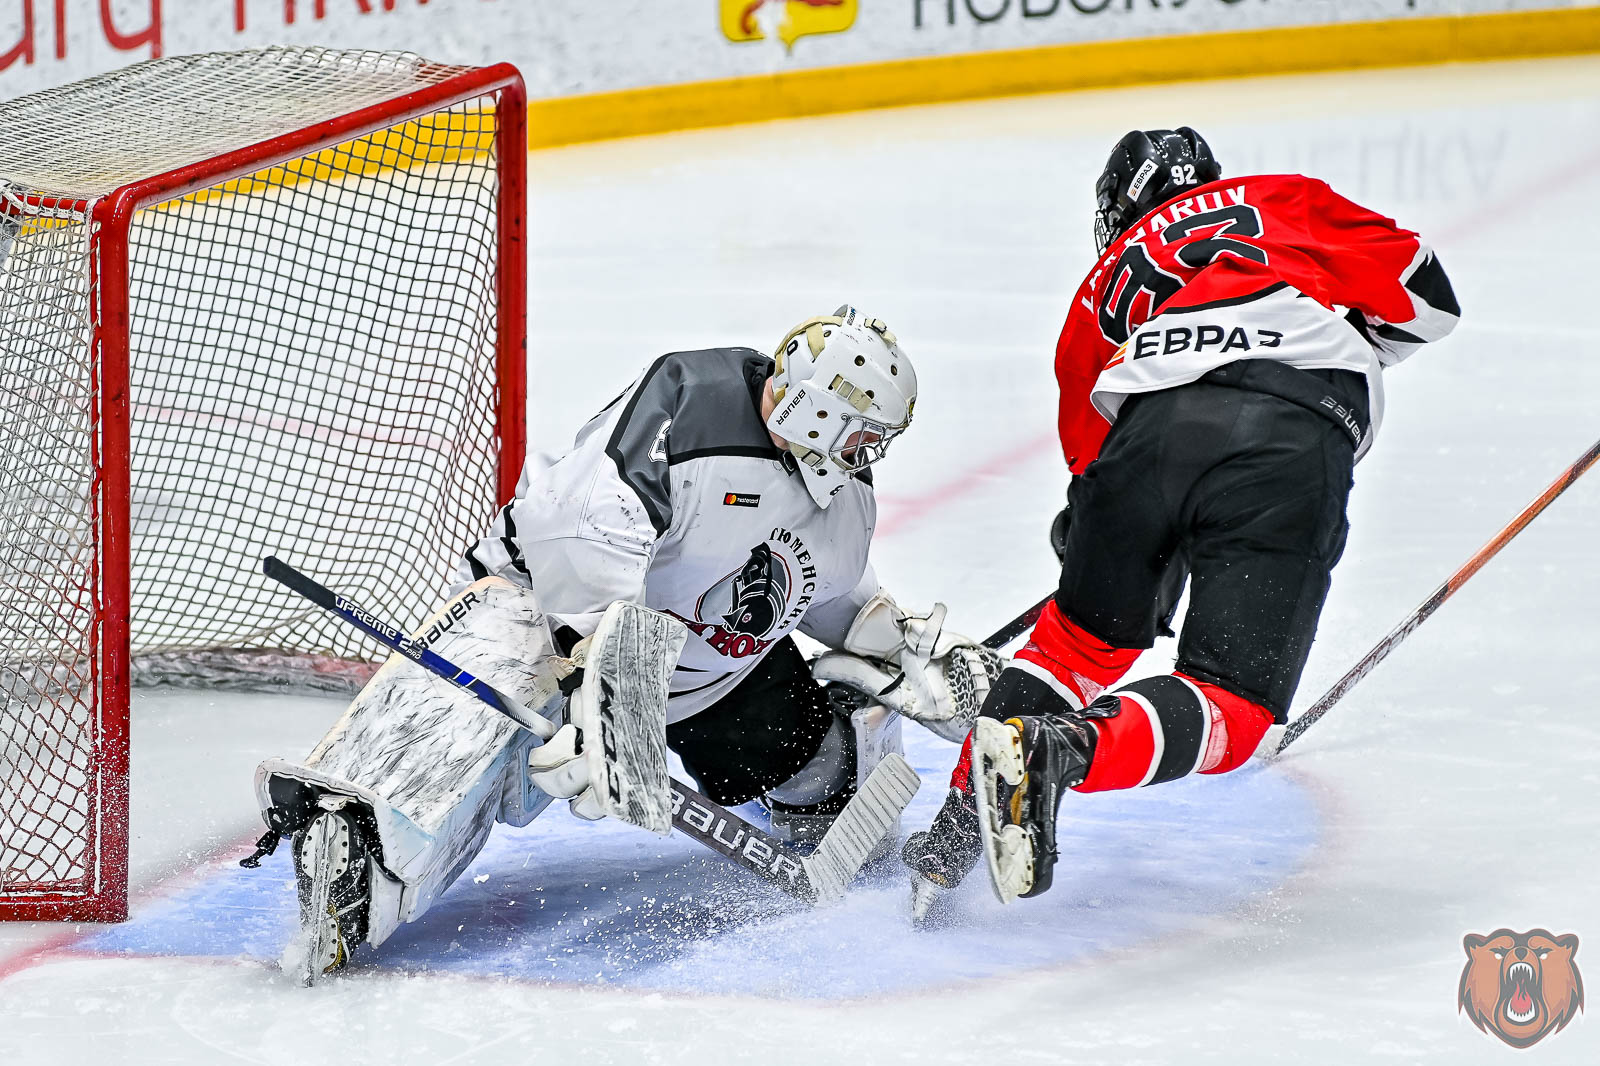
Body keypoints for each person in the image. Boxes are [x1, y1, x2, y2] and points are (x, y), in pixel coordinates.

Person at [252, 306, 1004, 978]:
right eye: (864, 432)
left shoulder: (838, 489)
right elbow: (579, 538)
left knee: (829, 789)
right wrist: (602, 694)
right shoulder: (690, 408)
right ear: (818, 412)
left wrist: (901, 654)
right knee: (456, 742)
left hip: (715, 673)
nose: (871, 451)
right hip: (546, 626)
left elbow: (830, 588)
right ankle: (355, 856)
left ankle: (845, 740)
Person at [904, 128, 1461, 912]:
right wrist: (1344, 333)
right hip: (1289, 427)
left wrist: (1133, 560)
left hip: (1144, 442)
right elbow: (1431, 302)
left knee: (1073, 646)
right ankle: (1066, 750)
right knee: (1233, 703)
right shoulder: (1279, 199)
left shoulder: (1101, 286)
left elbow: (1089, 473)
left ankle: (950, 843)